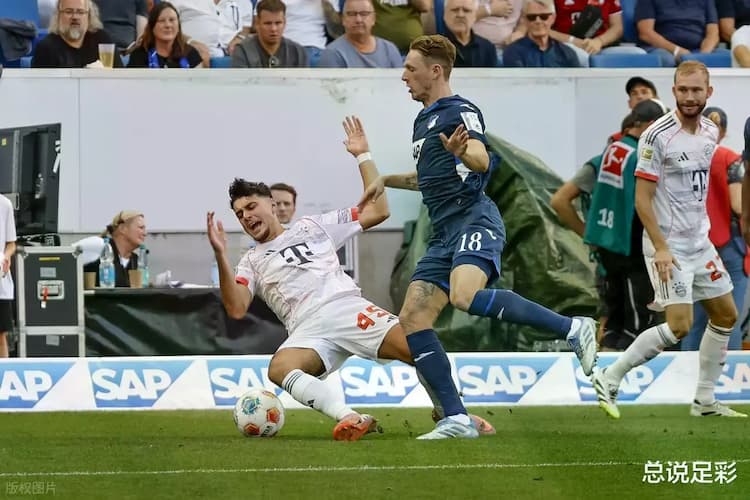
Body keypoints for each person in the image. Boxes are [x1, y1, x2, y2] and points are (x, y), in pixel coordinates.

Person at [358, 34, 597, 439]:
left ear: (435, 71)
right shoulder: (423, 119)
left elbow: (481, 159)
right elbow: (430, 179)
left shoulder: (461, 111)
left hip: (474, 220)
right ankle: (455, 418)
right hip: (443, 234)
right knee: (413, 318)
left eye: (410, 68)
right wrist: (386, 179)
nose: (403, 76)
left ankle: (572, 327)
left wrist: (463, 152)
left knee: (464, 296)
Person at [207, 116, 495, 441]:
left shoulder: (314, 226)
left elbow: (379, 210)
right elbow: (236, 308)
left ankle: (453, 413)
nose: (246, 216)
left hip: (345, 308)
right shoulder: (250, 261)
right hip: (307, 330)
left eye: (250, 206)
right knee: (280, 368)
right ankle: (350, 417)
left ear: (272, 205)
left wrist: (363, 155)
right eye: (239, 214)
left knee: (418, 345)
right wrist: (221, 254)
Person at [592, 61, 747, 419]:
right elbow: (642, 199)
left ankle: (704, 400)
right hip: (668, 245)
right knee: (679, 325)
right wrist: (661, 247)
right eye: (683, 90)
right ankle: (610, 375)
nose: (690, 97)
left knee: (726, 315)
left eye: (696, 90)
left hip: (700, 243)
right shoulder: (656, 136)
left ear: (708, 92)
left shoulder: (710, 131)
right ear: (674, 91)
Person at [583, 100, 667, 352]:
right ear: (651, 125)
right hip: (632, 245)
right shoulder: (642, 153)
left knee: (614, 321)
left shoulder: (613, 149)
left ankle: (605, 369)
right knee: (638, 322)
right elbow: (645, 200)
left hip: (607, 241)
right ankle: (634, 371)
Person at [681, 107, 747, 351]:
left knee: (696, 320)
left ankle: (686, 368)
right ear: (724, 132)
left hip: (693, 245)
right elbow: (739, 205)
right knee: (729, 318)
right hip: (728, 245)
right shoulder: (731, 160)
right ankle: (729, 369)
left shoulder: (682, 159)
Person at [32, 0, 123, 68]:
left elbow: (121, 79)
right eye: (68, 12)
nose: (75, 17)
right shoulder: (46, 48)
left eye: (80, 12)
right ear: (58, 15)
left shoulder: (103, 40)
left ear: (89, 16)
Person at [318, 0, 402, 69]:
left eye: (364, 14)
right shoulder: (333, 53)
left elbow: (400, 82)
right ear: (343, 19)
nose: (358, 20)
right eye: (352, 14)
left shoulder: (389, 50)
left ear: (374, 18)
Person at [231, 0, 308, 68]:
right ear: (257, 23)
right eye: (267, 23)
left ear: (284, 23)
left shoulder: (297, 52)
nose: (273, 29)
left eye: (278, 23)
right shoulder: (243, 51)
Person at [502, 0, 580, 67]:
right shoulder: (513, 52)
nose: (538, 21)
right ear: (525, 20)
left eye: (544, 17)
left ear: (553, 18)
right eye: (532, 17)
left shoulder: (567, 53)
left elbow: (576, 80)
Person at [126, 1, 203, 68]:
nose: (168, 25)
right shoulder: (139, 55)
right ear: (152, 27)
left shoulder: (191, 53)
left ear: (178, 25)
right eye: (162, 21)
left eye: (172, 20)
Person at [84, 210, 147, 287]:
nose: (145, 233)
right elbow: (70, 256)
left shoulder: (136, 260)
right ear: (122, 228)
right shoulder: (99, 246)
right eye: (141, 228)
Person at [441, 0, 498, 67]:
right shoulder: (433, 48)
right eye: (455, 10)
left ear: (474, 16)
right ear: (444, 15)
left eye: (466, 11)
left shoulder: (487, 48)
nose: (460, 15)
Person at [0, 195, 17, 358]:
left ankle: (3, 370)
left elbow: (11, 244)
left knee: (0, 334)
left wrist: (6, 257)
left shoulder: (4, 204)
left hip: (1, 283)